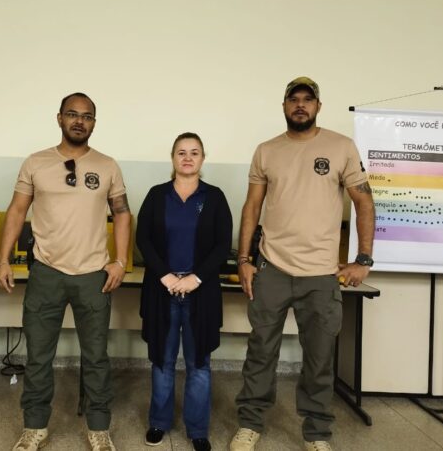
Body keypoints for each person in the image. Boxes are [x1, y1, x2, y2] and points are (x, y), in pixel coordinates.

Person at [230, 77, 375, 451]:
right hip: (272, 268)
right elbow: (252, 207)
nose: (300, 105)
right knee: (261, 350)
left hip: (322, 274)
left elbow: (363, 203)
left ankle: (317, 431)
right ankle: (250, 423)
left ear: (318, 107)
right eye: (293, 100)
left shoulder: (341, 147)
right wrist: (244, 259)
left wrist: (362, 260)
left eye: (307, 100)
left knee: (320, 356)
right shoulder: (267, 151)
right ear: (283, 106)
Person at [0, 92, 131, 451]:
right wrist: (2, 259)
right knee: (39, 355)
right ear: (59, 118)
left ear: (94, 124)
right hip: (47, 274)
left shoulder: (108, 165)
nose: (79, 121)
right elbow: (16, 211)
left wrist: (120, 261)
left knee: (96, 356)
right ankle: (35, 427)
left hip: (93, 276)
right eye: (72, 114)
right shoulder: (36, 162)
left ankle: (99, 427)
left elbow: (122, 213)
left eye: (86, 116)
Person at [137, 132, 232, 451]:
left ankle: (198, 429)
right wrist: (165, 275)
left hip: (199, 292)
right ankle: (158, 422)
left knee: (199, 362)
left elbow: (222, 245)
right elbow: (144, 239)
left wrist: (196, 278)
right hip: (161, 289)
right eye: (181, 152)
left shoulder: (214, 197)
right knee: (162, 361)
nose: (187, 157)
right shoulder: (156, 195)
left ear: (203, 159)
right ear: (173, 158)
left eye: (194, 152)